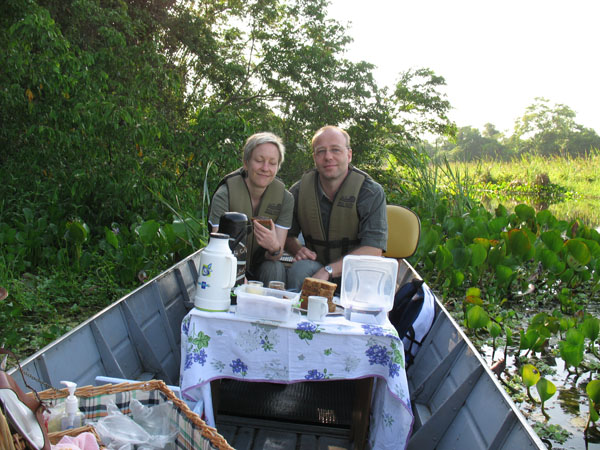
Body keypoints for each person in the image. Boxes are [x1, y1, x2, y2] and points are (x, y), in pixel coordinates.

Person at [285, 125, 388, 291]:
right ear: (314, 157)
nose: (328, 157)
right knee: (299, 269)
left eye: (335, 150)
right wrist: (297, 249)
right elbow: (286, 235)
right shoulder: (298, 191)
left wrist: (328, 271)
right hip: (316, 265)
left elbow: (373, 249)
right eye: (321, 151)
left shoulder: (370, 192)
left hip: (357, 271)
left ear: (349, 155)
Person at [208, 132, 293, 285]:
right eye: (259, 161)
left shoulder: (285, 199)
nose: (265, 168)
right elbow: (217, 249)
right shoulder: (224, 194)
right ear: (246, 163)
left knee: (275, 267)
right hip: (226, 265)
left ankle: (272, 307)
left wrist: (274, 246)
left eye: (272, 163)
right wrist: (239, 278)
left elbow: (276, 255)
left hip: (261, 267)